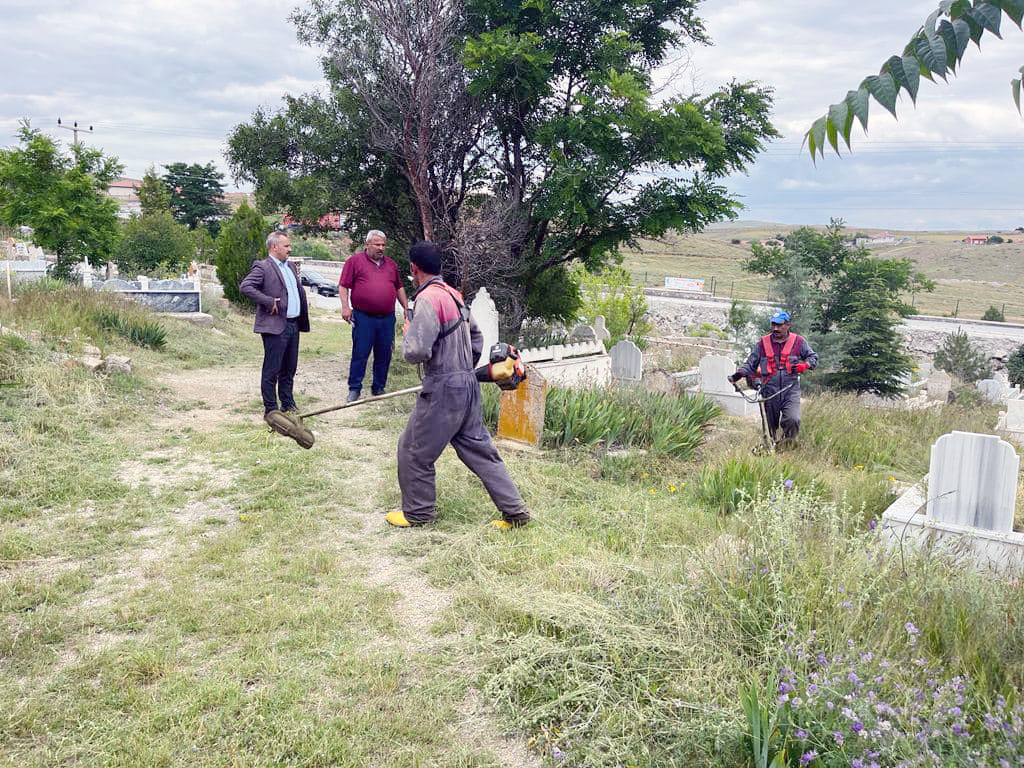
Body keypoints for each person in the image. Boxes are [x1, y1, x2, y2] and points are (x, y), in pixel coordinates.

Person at [386, 241, 531, 530]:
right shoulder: (454, 295)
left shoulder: (428, 299)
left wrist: (409, 333)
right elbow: (476, 339)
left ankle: (418, 513)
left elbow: (415, 352)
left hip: (443, 388)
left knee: (413, 450)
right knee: (481, 452)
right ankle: (516, 512)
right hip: (467, 383)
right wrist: (462, 368)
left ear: (413, 268)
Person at [239, 231, 310, 424]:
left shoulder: (291, 266)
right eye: (286, 246)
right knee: (272, 368)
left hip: (293, 324)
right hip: (275, 325)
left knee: (289, 367)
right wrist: (268, 301)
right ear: (274, 247)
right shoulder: (263, 267)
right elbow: (246, 287)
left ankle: (287, 403)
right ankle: (271, 409)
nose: (290, 249)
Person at [728, 310, 817, 448]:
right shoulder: (762, 343)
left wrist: (805, 365)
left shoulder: (799, 342)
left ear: (788, 325)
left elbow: (813, 357)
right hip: (769, 390)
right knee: (769, 426)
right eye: (773, 324)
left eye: (779, 325)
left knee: (793, 419)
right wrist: (738, 375)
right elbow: (750, 363)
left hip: (790, 389)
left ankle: (787, 447)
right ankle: (769, 449)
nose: (775, 328)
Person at [339, 230, 409, 401]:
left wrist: (406, 307)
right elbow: (343, 286)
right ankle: (354, 389)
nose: (381, 248)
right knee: (360, 353)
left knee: (384, 353)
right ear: (367, 244)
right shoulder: (354, 262)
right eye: (377, 244)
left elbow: (398, 287)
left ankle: (379, 387)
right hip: (364, 317)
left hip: (386, 318)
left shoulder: (391, 265)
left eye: (383, 245)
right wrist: (345, 307)